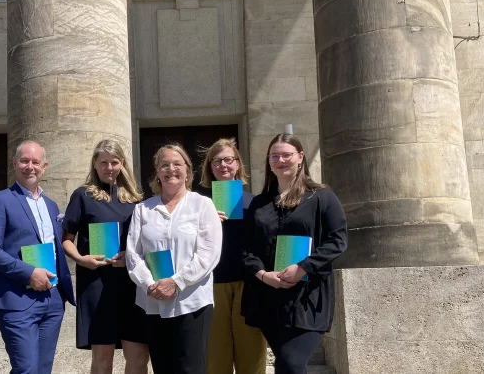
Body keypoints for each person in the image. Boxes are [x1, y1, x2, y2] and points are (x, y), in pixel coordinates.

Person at [241, 133, 348, 374]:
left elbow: (338, 240)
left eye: (286, 155)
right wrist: (262, 274)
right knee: (285, 363)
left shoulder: (321, 196)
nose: (280, 160)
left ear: (300, 157)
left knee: (291, 362)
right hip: (269, 295)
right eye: (274, 156)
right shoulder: (259, 203)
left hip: (308, 295)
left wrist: (303, 267)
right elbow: (247, 248)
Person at [0, 141, 76, 374]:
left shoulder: (51, 206)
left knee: (43, 370)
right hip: (17, 299)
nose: (29, 167)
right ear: (14, 163)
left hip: (52, 299)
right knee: (27, 369)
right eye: (24, 161)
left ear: (44, 166)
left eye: (35, 162)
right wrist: (29, 273)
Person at [126, 143, 222, 374]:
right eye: (164, 165)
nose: (171, 169)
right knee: (162, 367)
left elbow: (209, 253)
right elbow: (132, 254)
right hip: (153, 300)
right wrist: (150, 284)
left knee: (191, 369)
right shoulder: (143, 209)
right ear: (157, 172)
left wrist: (177, 281)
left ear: (188, 171)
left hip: (192, 301)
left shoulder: (202, 205)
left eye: (177, 164)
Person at [61, 140, 149, 374]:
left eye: (114, 162)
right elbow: (66, 240)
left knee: (139, 357)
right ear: (95, 164)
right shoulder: (82, 196)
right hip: (96, 283)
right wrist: (81, 260)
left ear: (122, 164)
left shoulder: (136, 200)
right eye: (104, 162)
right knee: (102, 358)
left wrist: (130, 258)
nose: (109, 167)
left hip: (131, 283)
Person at [197, 138, 268, 374]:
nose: (223, 165)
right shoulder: (200, 204)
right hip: (212, 282)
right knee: (216, 357)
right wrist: (206, 221)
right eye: (216, 161)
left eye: (228, 159)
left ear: (238, 164)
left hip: (249, 282)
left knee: (251, 354)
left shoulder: (255, 201)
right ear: (210, 167)